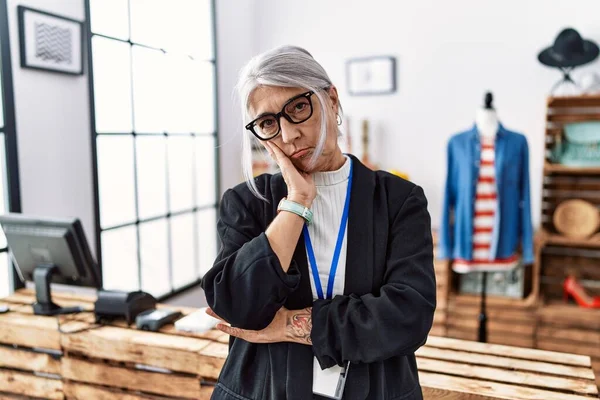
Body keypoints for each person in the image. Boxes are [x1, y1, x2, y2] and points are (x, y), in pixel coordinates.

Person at [201, 45, 436, 400]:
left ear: (332, 100)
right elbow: (237, 308)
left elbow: (408, 316)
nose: (288, 134)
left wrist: (289, 325)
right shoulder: (248, 202)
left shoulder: (398, 200)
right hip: (265, 390)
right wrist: (296, 204)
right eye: (268, 123)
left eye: (298, 107)